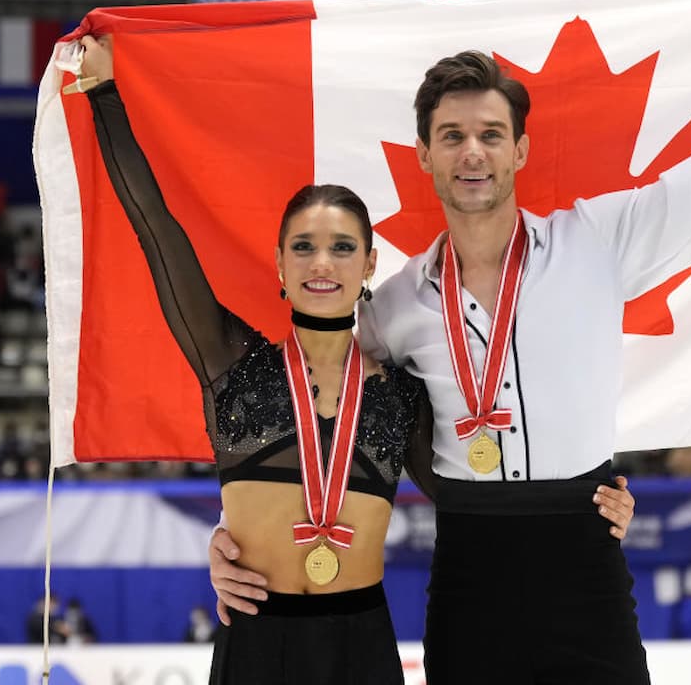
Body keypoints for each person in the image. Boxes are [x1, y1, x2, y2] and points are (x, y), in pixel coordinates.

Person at [211, 0, 691, 683]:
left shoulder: (597, 243)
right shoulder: (392, 308)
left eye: (490, 135)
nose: (472, 153)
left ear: (519, 150)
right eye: (452, 137)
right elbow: (319, 423)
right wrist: (234, 537)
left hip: (585, 558)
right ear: (424, 155)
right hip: (469, 577)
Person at [75, 35, 429, 685]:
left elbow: (479, 505)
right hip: (256, 649)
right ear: (280, 264)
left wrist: (588, 504)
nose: (322, 263)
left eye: (343, 247)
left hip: (364, 650)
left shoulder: (402, 391)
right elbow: (155, 227)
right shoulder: (230, 363)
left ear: (370, 264)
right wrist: (104, 94)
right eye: (304, 246)